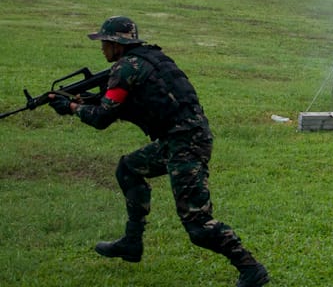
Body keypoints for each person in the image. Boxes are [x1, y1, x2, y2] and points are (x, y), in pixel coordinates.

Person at [47, 16, 269, 287]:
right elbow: (126, 102)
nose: (102, 48)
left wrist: (72, 108)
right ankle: (132, 242)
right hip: (180, 138)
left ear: (117, 44)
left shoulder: (126, 67)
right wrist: (87, 101)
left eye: (105, 43)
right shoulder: (149, 59)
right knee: (128, 169)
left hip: (186, 144)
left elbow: (102, 118)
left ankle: (251, 269)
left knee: (197, 224)